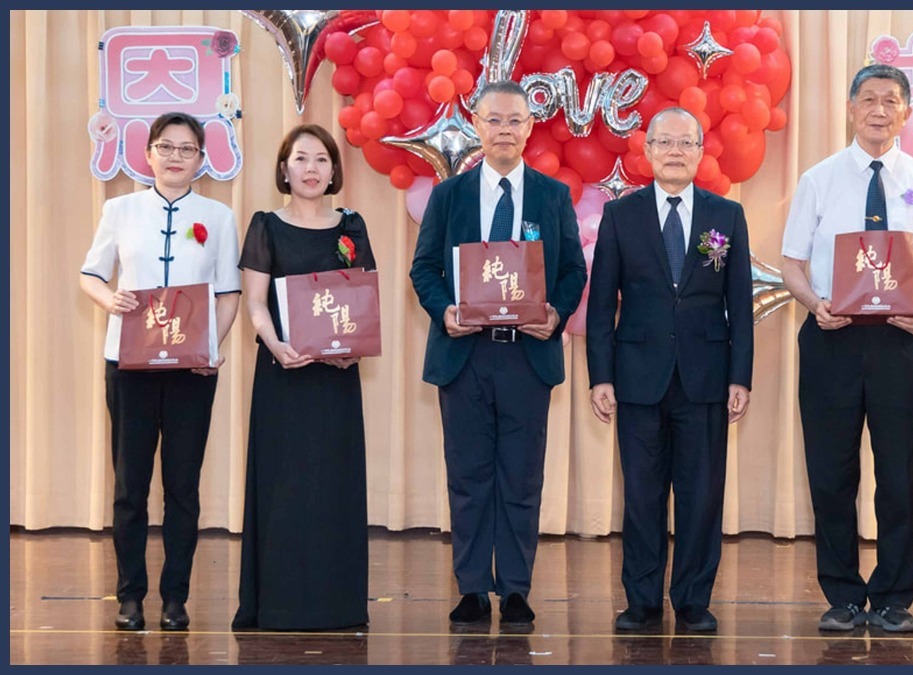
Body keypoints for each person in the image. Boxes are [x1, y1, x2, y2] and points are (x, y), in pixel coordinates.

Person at [779, 64, 913, 633]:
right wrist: (815, 303)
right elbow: (792, 264)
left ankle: (893, 597)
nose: (878, 109)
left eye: (890, 100)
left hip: (901, 342)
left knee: (898, 471)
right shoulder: (818, 179)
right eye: (868, 99)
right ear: (850, 108)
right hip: (831, 337)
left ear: (907, 112)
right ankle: (840, 594)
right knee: (830, 472)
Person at [409, 80, 587, 629]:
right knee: (467, 477)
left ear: (529, 128)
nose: (504, 130)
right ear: (476, 126)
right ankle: (470, 588)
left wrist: (556, 313)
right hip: (464, 355)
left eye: (515, 120)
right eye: (494, 120)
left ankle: (514, 588)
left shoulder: (552, 196)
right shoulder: (449, 196)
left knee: (521, 478)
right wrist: (444, 311)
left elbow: (572, 270)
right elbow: (424, 269)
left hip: (526, 358)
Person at [586, 108, 753, 633]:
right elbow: (601, 305)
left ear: (701, 152)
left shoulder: (727, 215)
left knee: (701, 497)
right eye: (665, 142)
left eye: (686, 143)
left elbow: (740, 303)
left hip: (706, 378)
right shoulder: (621, 215)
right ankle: (641, 603)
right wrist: (601, 376)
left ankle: (693, 601)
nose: (675, 151)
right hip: (637, 378)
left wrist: (740, 376)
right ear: (648, 152)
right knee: (642, 497)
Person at [80, 111, 242, 631]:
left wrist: (212, 347)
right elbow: (90, 275)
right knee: (130, 485)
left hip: (192, 369)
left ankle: (175, 598)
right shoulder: (119, 209)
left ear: (202, 159)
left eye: (187, 149)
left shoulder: (219, 217)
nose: (176, 157)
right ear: (148, 153)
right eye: (166, 147)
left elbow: (228, 292)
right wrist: (109, 298)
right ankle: (129, 596)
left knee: (182, 486)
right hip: (129, 364)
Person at [232, 124, 376, 630]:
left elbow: (363, 300)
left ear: (333, 170)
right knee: (284, 487)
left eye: (320, 159)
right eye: (300, 158)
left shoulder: (351, 226)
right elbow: (255, 303)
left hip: (336, 380)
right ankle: (277, 604)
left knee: (334, 485)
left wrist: (350, 351)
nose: (310, 168)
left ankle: (338, 605)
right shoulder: (265, 226)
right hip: (283, 376)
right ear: (284, 169)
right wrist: (275, 345)